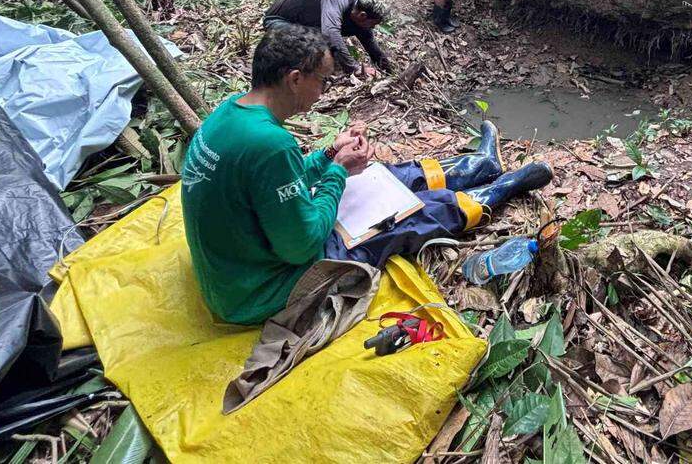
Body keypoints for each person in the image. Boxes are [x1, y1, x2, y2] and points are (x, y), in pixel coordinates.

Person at [181, 25, 552, 325]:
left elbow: (274, 180)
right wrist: (338, 173)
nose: (323, 91)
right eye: (322, 81)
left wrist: (330, 155)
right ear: (295, 79)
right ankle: (500, 189)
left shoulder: (230, 113)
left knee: (380, 177)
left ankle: (479, 166)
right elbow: (301, 246)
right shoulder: (269, 143)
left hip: (240, 268)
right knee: (403, 215)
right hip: (264, 290)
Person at [263, 0, 392, 75]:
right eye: (373, 23)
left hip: (304, 24)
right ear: (362, 15)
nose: (373, 27)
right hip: (277, 22)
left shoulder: (357, 12)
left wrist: (388, 70)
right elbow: (330, 32)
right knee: (320, 41)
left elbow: (369, 42)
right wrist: (354, 67)